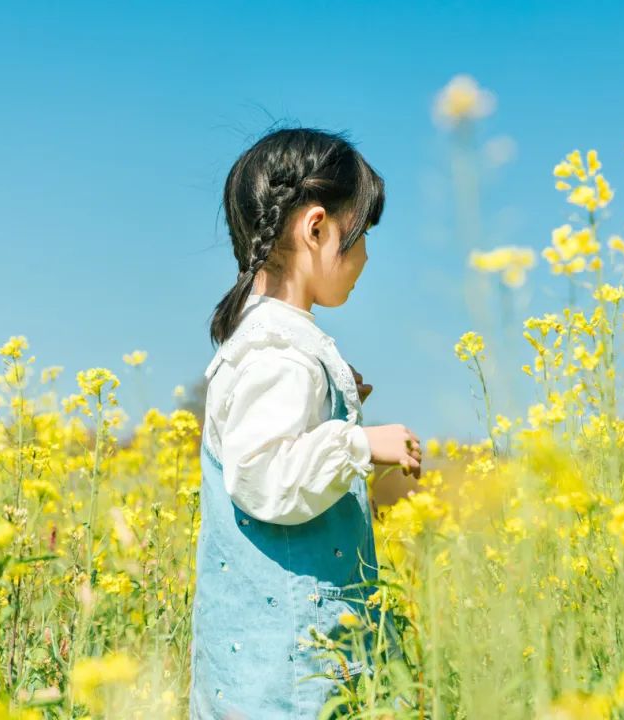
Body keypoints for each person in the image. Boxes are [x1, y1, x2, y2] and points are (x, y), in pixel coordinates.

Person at [189, 126, 421, 719]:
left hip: (288, 663)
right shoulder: (278, 353)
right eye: (360, 233)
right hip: (286, 677)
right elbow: (266, 475)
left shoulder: (273, 344)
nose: (365, 254)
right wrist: (359, 442)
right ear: (316, 227)